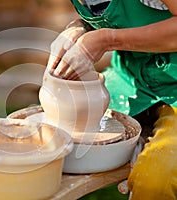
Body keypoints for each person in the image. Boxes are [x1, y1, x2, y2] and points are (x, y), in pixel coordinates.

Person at [47, 0, 177, 199]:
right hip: (133, 80)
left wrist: (106, 40)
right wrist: (80, 28)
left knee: (156, 180)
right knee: (39, 141)